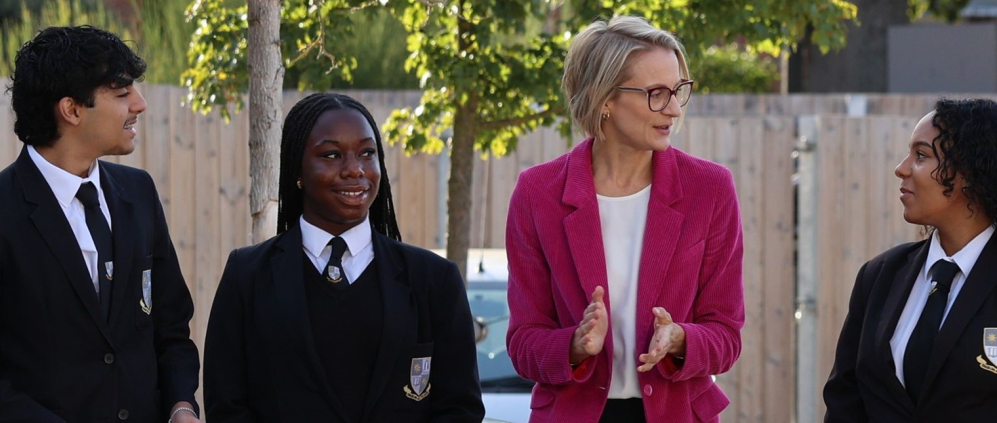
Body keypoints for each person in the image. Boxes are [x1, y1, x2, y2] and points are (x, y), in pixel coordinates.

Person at [0, 26, 202, 423]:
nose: (140, 104)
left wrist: (182, 406)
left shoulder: (139, 193)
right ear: (71, 110)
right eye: (122, 92)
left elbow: (171, 329)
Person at [505, 15, 745, 423]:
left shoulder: (710, 189)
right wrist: (574, 346)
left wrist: (680, 338)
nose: (673, 109)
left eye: (678, 91)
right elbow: (523, 344)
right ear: (604, 99)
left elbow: (726, 336)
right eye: (656, 94)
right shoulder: (537, 193)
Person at [203, 93, 484, 422]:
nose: (354, 169)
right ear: (297, 170)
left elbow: (460, 408)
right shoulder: (247, 276)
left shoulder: (434, 279)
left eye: (367, 153)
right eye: (332, 155)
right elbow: (226, 406)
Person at [823, 98, 997, 422]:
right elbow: (844, 403)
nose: (902, 168)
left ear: (973, 172)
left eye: (921, 155)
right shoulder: (879, 275)